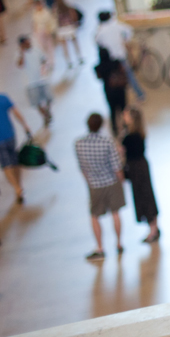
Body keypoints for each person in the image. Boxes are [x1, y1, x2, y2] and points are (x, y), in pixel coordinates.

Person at [75, 112, 125, 261]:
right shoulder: (107, 142)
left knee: (95, 216)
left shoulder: (79, 144)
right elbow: (116, 166)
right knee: (115, 213)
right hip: (111, 182)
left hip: (94, 185)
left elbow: (82, 167)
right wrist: (121, 181)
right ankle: (118, 243)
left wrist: (89, 182)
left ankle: (100, 247)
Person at [121, 107, 159, 243]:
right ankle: (154, 227)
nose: (123, 117)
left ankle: (153, 230)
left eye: (126, 115)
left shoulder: (131, 137)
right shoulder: (138, 133)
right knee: (147, 194)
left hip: (136, 169)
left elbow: (124, 152)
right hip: (140, 166)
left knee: (144, 197)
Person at [95, 11, 145, 100]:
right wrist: (125, 39)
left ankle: (119, 98)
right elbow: (129, 30)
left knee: (113, 79)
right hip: (121, 55)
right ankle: (140, 94)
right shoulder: (117, 25)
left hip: (110, 59)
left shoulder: (100, 31)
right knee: (129, 75)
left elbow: (97, 42)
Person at [17, 36, 53, 127]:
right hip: (30, 83)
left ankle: (47, 112)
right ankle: (45, 116)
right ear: (22, 45)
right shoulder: (19, 54)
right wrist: (22, 53)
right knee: (37, 103)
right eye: (26, 43)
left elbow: (43, 60)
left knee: (49, 98)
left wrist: (44, 69)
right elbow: (20, 64)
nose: (29, 44)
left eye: (29, 42)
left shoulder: (37, 50)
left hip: (41, 79)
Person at [53, 0, 84, 68]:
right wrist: (75, 24)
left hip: (62, 29)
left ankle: (68, 61)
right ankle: (79, 57)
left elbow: (55, 21)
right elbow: (74, 16)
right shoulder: (68, 8)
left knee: (65, 47)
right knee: (75, 43)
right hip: (70, 27)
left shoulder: (56, 10)